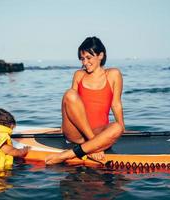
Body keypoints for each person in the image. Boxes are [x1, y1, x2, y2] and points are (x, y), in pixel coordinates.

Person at [46, 36, 124, 165]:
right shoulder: (79, 75)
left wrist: (121, 129)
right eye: (82, 59)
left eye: (88, 58)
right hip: (77, 133)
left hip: (98, 131)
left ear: (100, 55)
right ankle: (91, 145)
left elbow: (116, 104)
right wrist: (94, 142)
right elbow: (71, 104)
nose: (84, 62)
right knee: (70, 94)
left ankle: (69, 154)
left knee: (117, 127)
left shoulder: (113, 74)